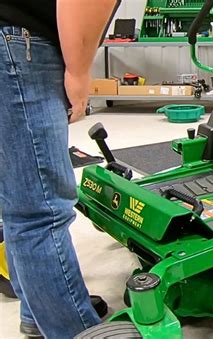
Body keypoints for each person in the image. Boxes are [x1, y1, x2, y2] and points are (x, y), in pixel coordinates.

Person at [0, 0, 120, 337]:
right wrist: (79, 71)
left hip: (10, 39)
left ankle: (37, 313)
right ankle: (74, 329)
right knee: (41, 211)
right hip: (19, 45)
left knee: (19, 202)